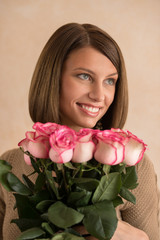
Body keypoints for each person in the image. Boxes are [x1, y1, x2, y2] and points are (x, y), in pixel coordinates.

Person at [0, 23, 159, 240]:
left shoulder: (134, 165)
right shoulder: (11, 164)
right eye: (85, 76)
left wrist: (138, 238)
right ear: (52, 77)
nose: (99, 95)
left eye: (110, 81)